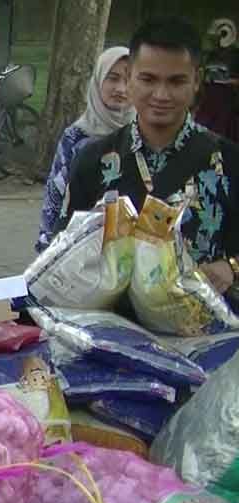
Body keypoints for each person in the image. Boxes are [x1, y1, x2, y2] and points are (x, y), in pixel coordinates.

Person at [61, 17, 239, 296]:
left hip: (205, 330)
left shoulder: (228, 162)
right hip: (114, 330)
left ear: (196, 81)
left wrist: (231, 268)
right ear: (130, 78)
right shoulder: (93, 160)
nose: (161, 94)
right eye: (148, 79)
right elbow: (63, 256)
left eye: (176, 81)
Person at [36, 46, 134, 252]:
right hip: (79, 248)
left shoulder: (144, 135)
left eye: (129, 80)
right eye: (113, 78)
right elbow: (56, 192)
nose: (121, 88)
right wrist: (47, 245)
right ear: (98, 81)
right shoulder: (77, 136)